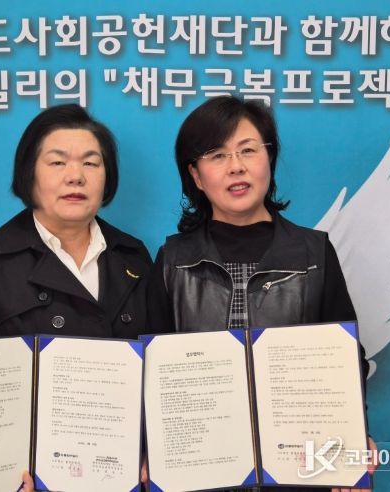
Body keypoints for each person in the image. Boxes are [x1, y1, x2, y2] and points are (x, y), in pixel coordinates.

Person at [147, 96, 376, 492]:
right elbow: (151, 371)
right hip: (201, 470)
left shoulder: (315, 254)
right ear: (196, 176)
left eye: (248, 150)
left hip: (298, 471)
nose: (236, 166)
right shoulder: (173, 260)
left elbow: (344, 361)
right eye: (217, 155)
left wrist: (352, 439)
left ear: (269, 159)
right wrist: (146, 450)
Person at [0, 104, 152, 492]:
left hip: (120, 477)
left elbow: (158, 376)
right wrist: (0, 473)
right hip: (26, 480)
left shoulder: (134, 256)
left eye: (91, 163)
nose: (76, 176)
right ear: (29, 174)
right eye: (57, 162)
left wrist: (153, 454)